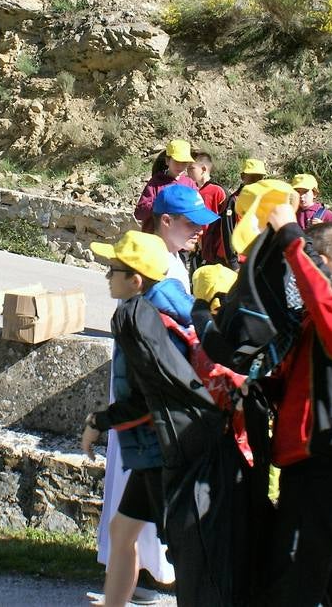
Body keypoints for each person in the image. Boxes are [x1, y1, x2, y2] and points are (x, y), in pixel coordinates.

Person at [83, 231, 222, 607]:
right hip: (161, 445)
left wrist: (99, 421)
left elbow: (147, 396)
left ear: (136, 280)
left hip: (167, 450)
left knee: (184, 549)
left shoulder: (140, 321)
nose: (107, 277)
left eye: (113, 270)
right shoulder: (169, 306)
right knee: (122, 531)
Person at [260, 212, 332, 606]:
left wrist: (291, 235)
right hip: (319, 460)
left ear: (322, 264)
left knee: (304, 576)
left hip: (331, 460)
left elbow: (324, 303)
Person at [153, 183, 220, 280]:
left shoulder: (172, 258)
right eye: (192, 222)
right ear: (167, 221)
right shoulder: (153, 270)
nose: (200, 231)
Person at [135, 139, 199, 233]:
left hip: (180, 240)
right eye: (177, 161)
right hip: (156, 239)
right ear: (167, 161)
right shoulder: (156, 182)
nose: (180, 166)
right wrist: (163, 203)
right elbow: (139, 213)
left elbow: (197, 209)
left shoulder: (190, 184)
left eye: (184, 162)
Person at [188, 152, 228, 266]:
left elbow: (205, 223)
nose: (188, 172)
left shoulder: (211, 191)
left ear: (203, 169)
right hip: (213, 248)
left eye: (191, 168)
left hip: (211, 248)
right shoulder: (213, 189)